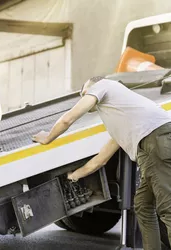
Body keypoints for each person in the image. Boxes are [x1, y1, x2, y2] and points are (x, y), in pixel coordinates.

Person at [32, 76, 171, 250]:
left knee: (167, 209)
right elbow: (100, 160)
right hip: (150, 151)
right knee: (143, 206)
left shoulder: (104, 85)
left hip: (156, 142)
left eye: (85, 92)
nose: (84, 97)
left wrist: (48, 137)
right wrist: (74, 176)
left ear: (93, 85)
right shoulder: (121, 120)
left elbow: (69, 119)